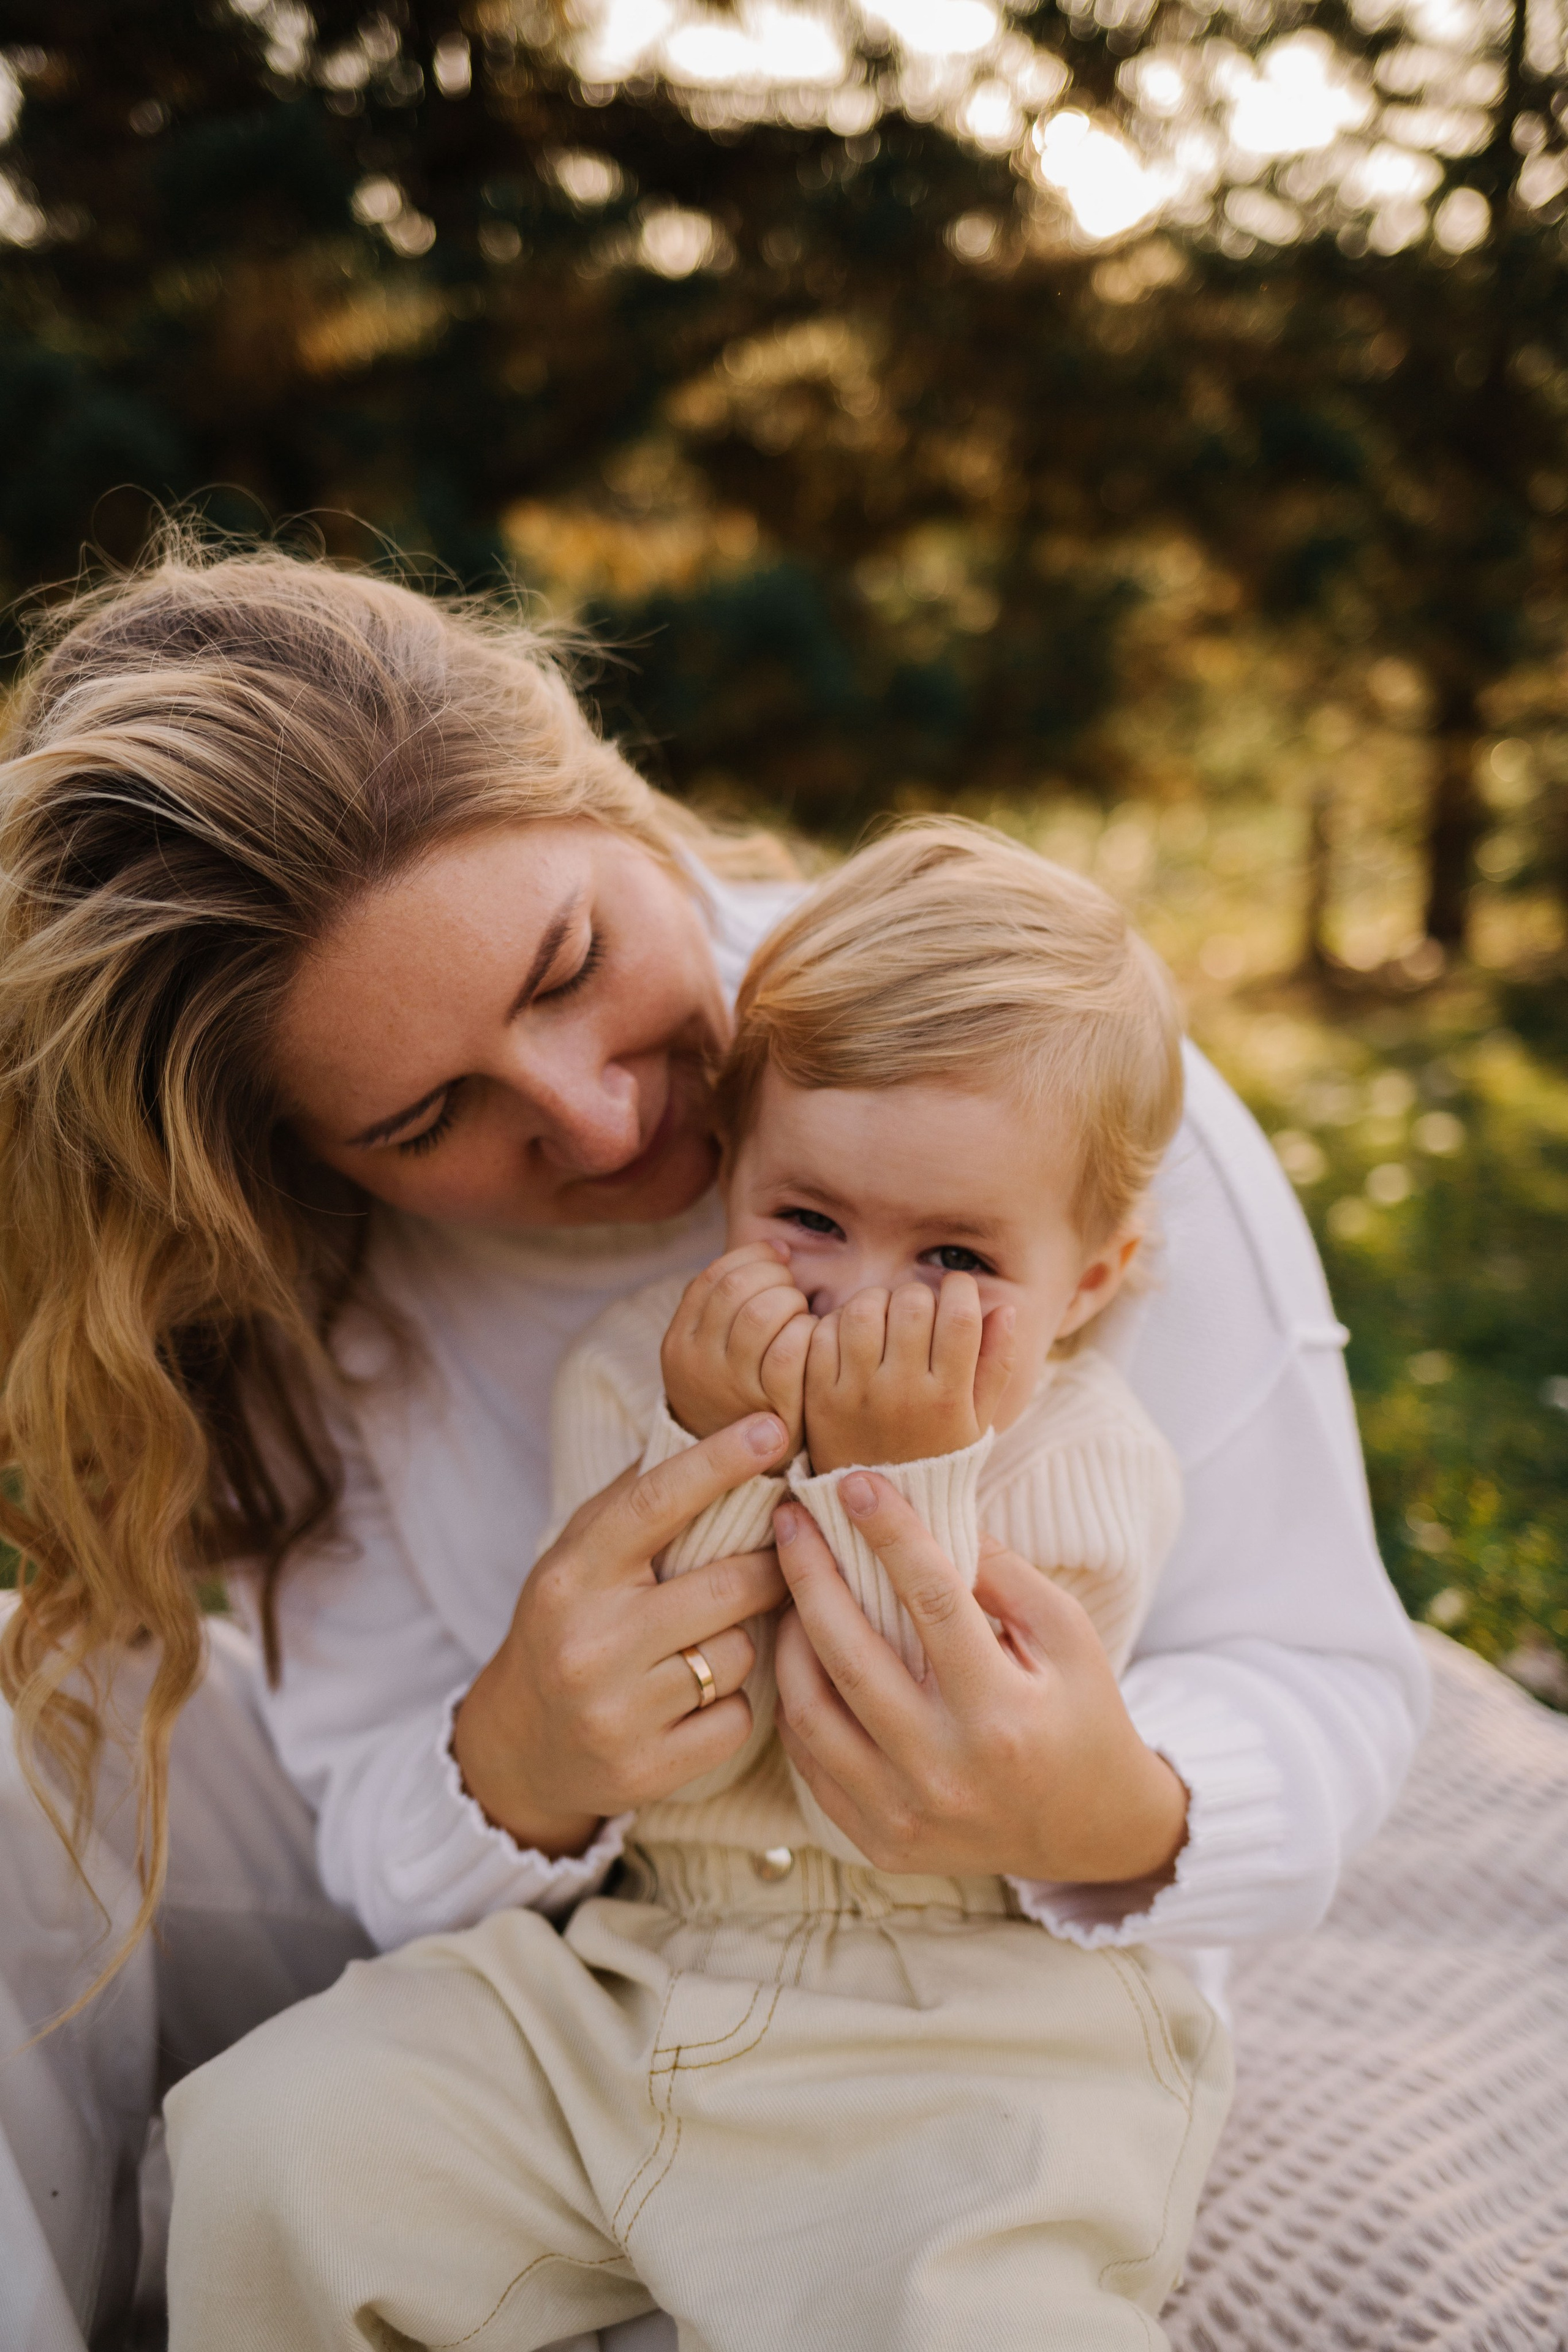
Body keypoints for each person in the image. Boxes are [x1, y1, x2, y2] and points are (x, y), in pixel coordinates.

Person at [0, 538, 1427, 2352]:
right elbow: (367, 1786)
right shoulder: (317, 1287)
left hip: (980, 1984)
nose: (595, 1121)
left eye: (573, 961)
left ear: (598, 787)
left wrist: (1106, 1802)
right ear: (303, 1160)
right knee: (174, 2001)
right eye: (431, 1114)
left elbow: (1323, 1672)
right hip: (575, 1966)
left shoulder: (1023, 1076)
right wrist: (508, 1758)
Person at [162, 822, 1231, 2350]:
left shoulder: (1081, 1453)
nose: (859, 1297)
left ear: (1092, 1283)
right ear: (732, 1176)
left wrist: (895, 1466)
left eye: (954, 1258)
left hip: (970, 2021)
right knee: (274, 2138)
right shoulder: (630, 1381)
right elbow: (689, 1735)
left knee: (991, 2310)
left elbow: (903, 1760)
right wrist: (709, 1440)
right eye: (806, 1221)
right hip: (632, 1968)